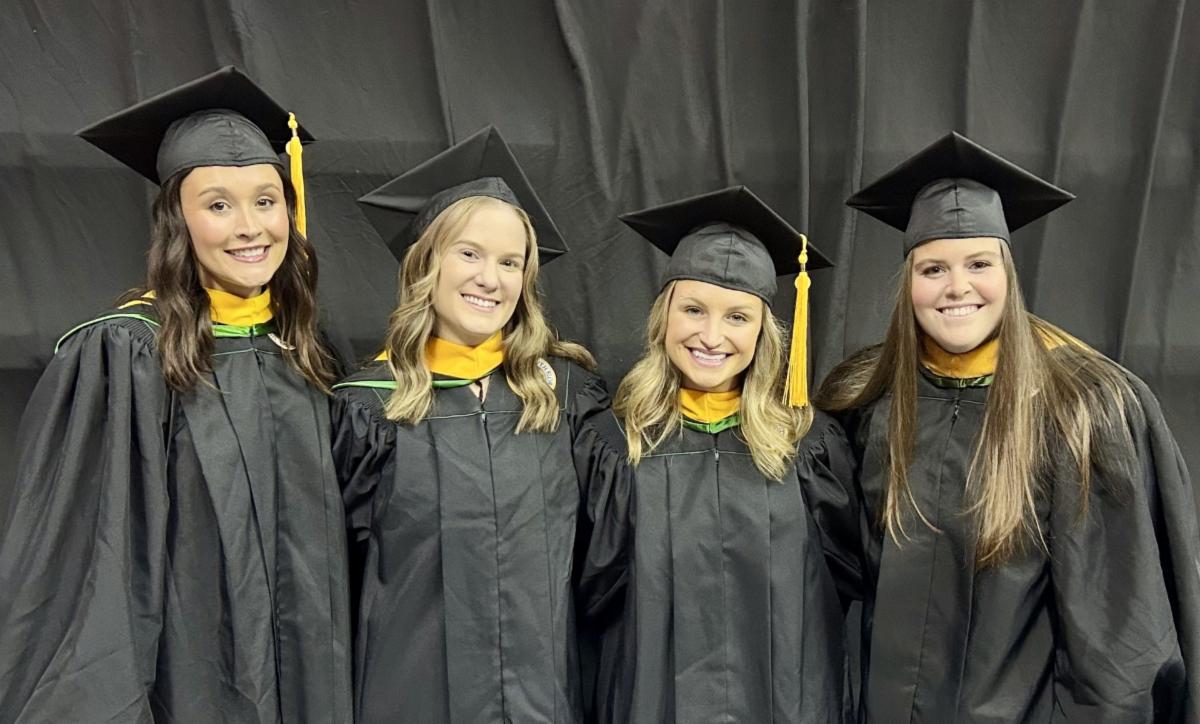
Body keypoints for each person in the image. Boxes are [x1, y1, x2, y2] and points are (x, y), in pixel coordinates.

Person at [0, 66, 353, 722]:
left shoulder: (307, 351)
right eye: (218, 205)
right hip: (190, 687)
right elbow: (91, 567)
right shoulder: (124, 354)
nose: (250, 227)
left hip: (313, 682)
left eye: (266, 200)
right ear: (177, 220)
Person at [817, 131, 1200, 722]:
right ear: (908, 282)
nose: (957, 287)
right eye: (933, 268)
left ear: (1008, 271)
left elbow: (1120, 641)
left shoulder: (1081, 409)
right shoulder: (868, 401)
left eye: (978, 263)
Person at [332, 126, 615, 723]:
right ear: (425, 264)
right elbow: (335, 580)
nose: (491, 278)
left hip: (545, 702)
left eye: (510, 262)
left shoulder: (564, 399)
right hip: (408, 701)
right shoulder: (369, 410)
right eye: (469, 254)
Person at [581, 186, 858, 723]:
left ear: (763, 333)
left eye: (737, 317)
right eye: (693, 309)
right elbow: (589, 597)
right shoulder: (613, 446)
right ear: (664, 317)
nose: (711, 336)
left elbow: (846, 581)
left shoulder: (809, 447)